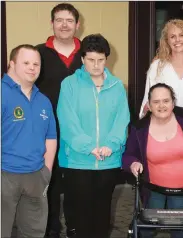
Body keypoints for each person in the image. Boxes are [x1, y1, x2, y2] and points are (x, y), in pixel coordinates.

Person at [56, 34, 130, 238]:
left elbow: (122, 120)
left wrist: (111, 145)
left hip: (108, 161)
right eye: (91, 60)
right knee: (79, 217)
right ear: (82, 59)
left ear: (107, 59)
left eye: (101, 60)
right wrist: (88, 146)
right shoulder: (69, 84)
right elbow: (67, 119)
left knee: (101, 215)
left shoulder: (117, 88)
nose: (96, 65)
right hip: (78, 161)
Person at [122, 83, 183, 238]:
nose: (161, 105)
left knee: (179, 228)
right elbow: (128, 155)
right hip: (153, 188)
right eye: (156, 102)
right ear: (149, 106)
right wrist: (133, 163)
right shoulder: (139, 128)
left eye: (166, 101)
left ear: (173, 103)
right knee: (147, 227)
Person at [35, 3, 82, 237]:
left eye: (69, 20)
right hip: (46, 130)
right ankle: (51, 228)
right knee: (48, 182)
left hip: (79, 132)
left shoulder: (88, 54)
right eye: (59, 20)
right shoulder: (38, 54)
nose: (64, 25)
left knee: (76, 182)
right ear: (52, 23)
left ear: (77, 24)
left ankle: (74, 227)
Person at [1, 44, 57, 238]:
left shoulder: (43, 100)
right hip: (5, 175)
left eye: (36, 64)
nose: (32, 68)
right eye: (26, 63)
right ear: (12, 64)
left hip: (36, 176)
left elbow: (50, 137)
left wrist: (46, 172)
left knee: (34, 232)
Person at [139, 19, 183, 118]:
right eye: (172, 36)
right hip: (161, 125)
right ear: (167, 41)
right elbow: (147, 100)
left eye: (182, 35)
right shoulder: (157, 66)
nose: (177, 40)